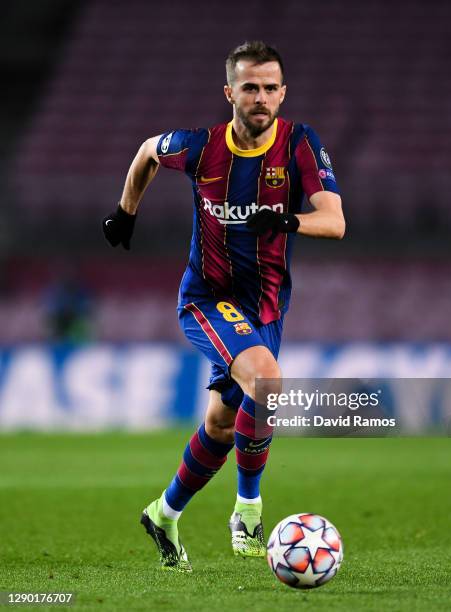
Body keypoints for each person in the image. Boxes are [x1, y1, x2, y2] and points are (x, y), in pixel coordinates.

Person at [102, 41, 345, 572]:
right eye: (250, 87)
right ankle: (249, 510)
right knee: (266, 380)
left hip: (264, 310)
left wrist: (287, 221)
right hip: (208, 301)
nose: (260, 97)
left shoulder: (301, 144)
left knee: (220, 425)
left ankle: (163, 513)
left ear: (283, 93)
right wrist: (126, 212)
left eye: (270, 88)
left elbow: (335, 221)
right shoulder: (200, 146)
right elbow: (147, 150)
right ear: (230, 92)